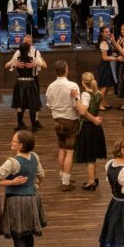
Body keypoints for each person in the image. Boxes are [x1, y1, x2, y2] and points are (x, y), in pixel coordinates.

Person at [45, 60, 80, 191]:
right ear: (66, 70)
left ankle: (63, 176)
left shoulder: (50, 86)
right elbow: (77, 106)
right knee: (70, 152)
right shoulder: (73, 85)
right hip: (71, 121)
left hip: (57, 121)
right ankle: (66, 182)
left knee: (62, 149)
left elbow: (49, 105)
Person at [74, 71, 107, 190]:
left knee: (89, 156)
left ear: (83, 82)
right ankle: (94, 177)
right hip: (96, 127)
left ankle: (91, 181)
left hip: (88, 126)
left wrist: (76, 99)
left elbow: (83, 111)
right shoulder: (98, 93)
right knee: (93, 154)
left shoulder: (86, 95)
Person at [95, 26, 124, 109]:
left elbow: (109, 54)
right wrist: (116, 58)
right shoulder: (103, 43)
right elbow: (104, 57)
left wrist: (113, 54)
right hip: (106, 67)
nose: (108, 33)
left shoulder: (108, 41)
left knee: (107, 86)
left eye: (108, 31)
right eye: (106, 32)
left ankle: (104, 102)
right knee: (104, 86)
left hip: (109, 66)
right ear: (102, 33)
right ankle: (99, 105)